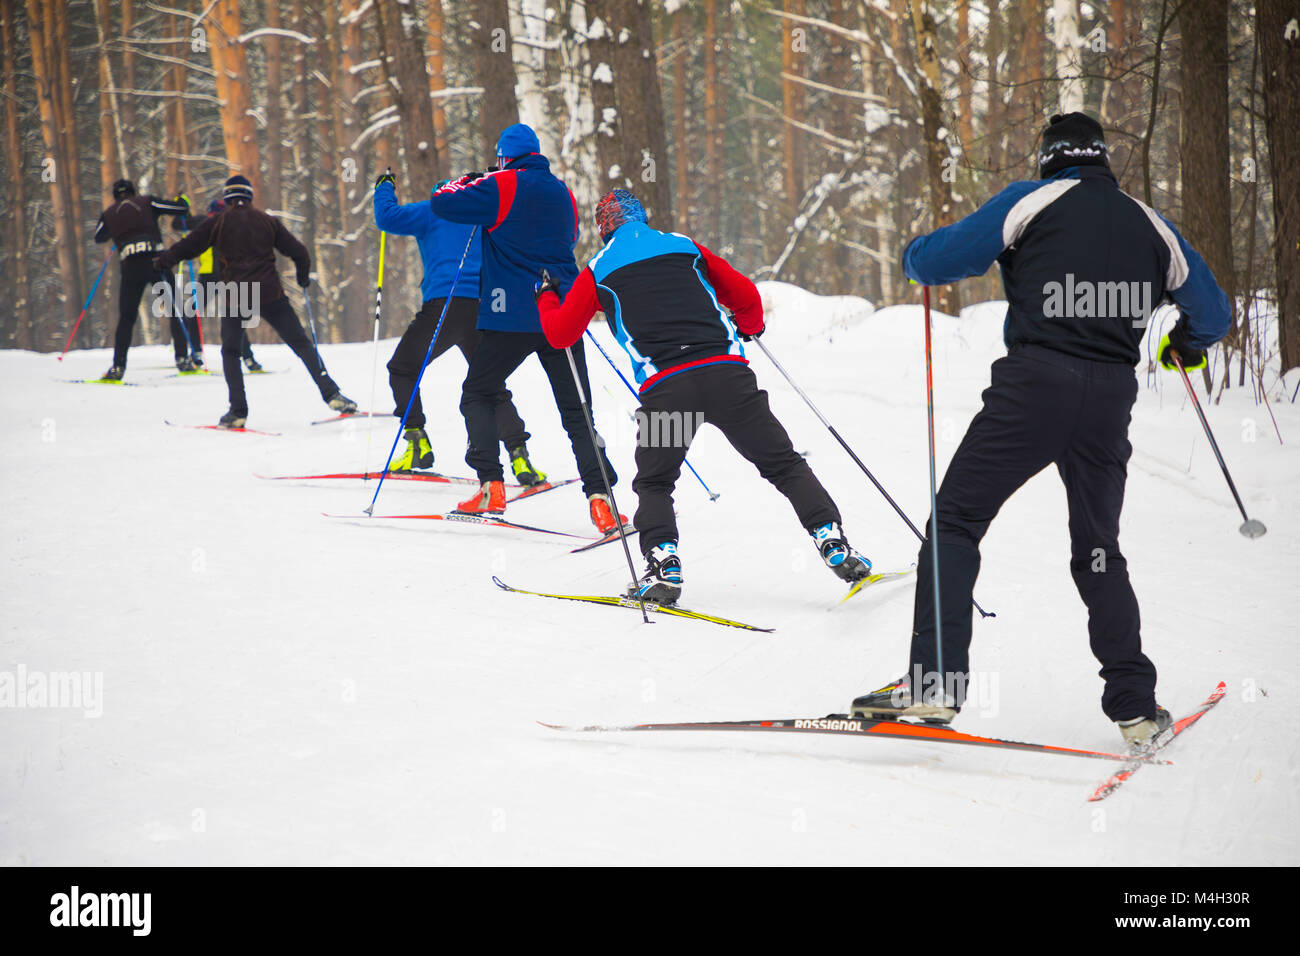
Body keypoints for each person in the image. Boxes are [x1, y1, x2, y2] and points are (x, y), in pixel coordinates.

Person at [849, 113, 1231, 751]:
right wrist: (1182, 346)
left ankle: (935, 682)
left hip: (1034, 387)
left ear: (1049, 156)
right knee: (1098, 549)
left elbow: (940, 260)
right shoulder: (1150, 222)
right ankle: (1136, 709)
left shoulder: (1031, 199)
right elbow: (1214, 314)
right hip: (1109, 398)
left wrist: (914, 256)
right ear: (1104, 159)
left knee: (956, 523)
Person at [537, 188, 873, 603]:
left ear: (604, 228)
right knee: (783, 464)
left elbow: (560, 334)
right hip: (727, 377)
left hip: (668, 390)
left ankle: (665, 565)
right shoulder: (684, 246)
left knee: (656, 482)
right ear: (642, 216)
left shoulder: (598, 269)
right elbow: (746, 296)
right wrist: (750, 326)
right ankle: (831, 538)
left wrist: (547, 297)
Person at [431, 124, 620, 528]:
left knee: (478, 392)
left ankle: (491, 486)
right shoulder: (562, 190)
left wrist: (466, 181)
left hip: (510, 316)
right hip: (562, 313)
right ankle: (602, 499)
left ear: (504, 157)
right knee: (578, 410)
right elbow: (571, 236)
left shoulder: (500, 184)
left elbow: (442, 204)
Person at [373, 171, 546, 481]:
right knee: (490, 384)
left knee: (402, 368)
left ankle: (416, 442)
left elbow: (386, 217)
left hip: (445, 306)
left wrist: (385, 186)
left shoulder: (433, 209)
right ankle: (520, 458)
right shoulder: (482, 216)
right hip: (484, 309)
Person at [156, 175, 357, 429]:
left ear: (227, 197)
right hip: (270, 292)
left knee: (231, 351)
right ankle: (333, 394)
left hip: (237, 294)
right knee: (301, 343)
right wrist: (303, 277)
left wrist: (162, 262)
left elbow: (188, 247)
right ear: (249, 196)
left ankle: (237, 411)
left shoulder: (217, 222)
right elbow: (300, 252)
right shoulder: (267, 221)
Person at [93, 179, 194, 379]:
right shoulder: (147, 202)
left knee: (127, 318)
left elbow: (99, 236)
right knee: (175, 310)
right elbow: (179, 209)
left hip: (131, 268)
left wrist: (117, 231)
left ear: (115, 196)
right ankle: (183, 359)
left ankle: (118, 367)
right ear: (133, 191)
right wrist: (182, 200)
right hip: (157, 263)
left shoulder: (109, 213)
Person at [178, 198, 263, 372]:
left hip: (210, 274)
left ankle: (196, 355)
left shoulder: (204, 222)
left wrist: (183, 208)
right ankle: (248, 359)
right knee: (234, 318)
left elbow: (179, 224)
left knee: (192, 312)